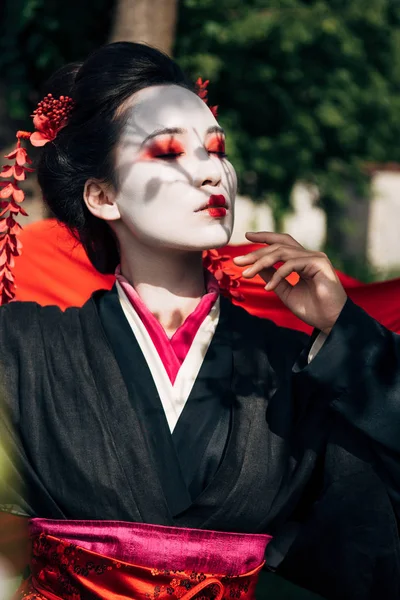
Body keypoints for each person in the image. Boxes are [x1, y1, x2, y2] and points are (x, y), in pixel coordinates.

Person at [0, 42, 399, 600]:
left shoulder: (289, 366)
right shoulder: (23, 349)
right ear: (102, 195)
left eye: (216, 150)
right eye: (167, 152)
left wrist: (345, 333)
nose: (211, 174)